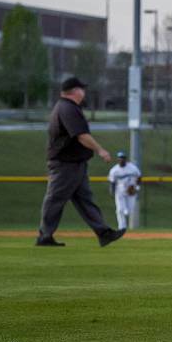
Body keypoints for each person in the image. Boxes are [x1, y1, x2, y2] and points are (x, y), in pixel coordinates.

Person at [36, 77, 126, 247]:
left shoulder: (67, 107)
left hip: (74, 164)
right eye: (82, 89)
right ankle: (44, 236)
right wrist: (100, 150)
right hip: (65, 164)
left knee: (85, 201)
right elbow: (81, 135)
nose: (83, 92)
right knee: (55, 199)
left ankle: (103, 233)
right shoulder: (67, 108)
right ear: (75, 91)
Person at [108, 151, 141, 230]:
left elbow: (139, 177)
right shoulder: (114, 170)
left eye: (123, 158)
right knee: (119, 210)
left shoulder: (132, 167)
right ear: (118, 159)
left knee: (129, 211)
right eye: (120, 158)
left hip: (131, 190)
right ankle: (122, 227)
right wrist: (112, 191)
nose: (121, 159)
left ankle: (125, 212)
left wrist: (137, 188)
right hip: (119, 190)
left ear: (125, 159)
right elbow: (112, 182)